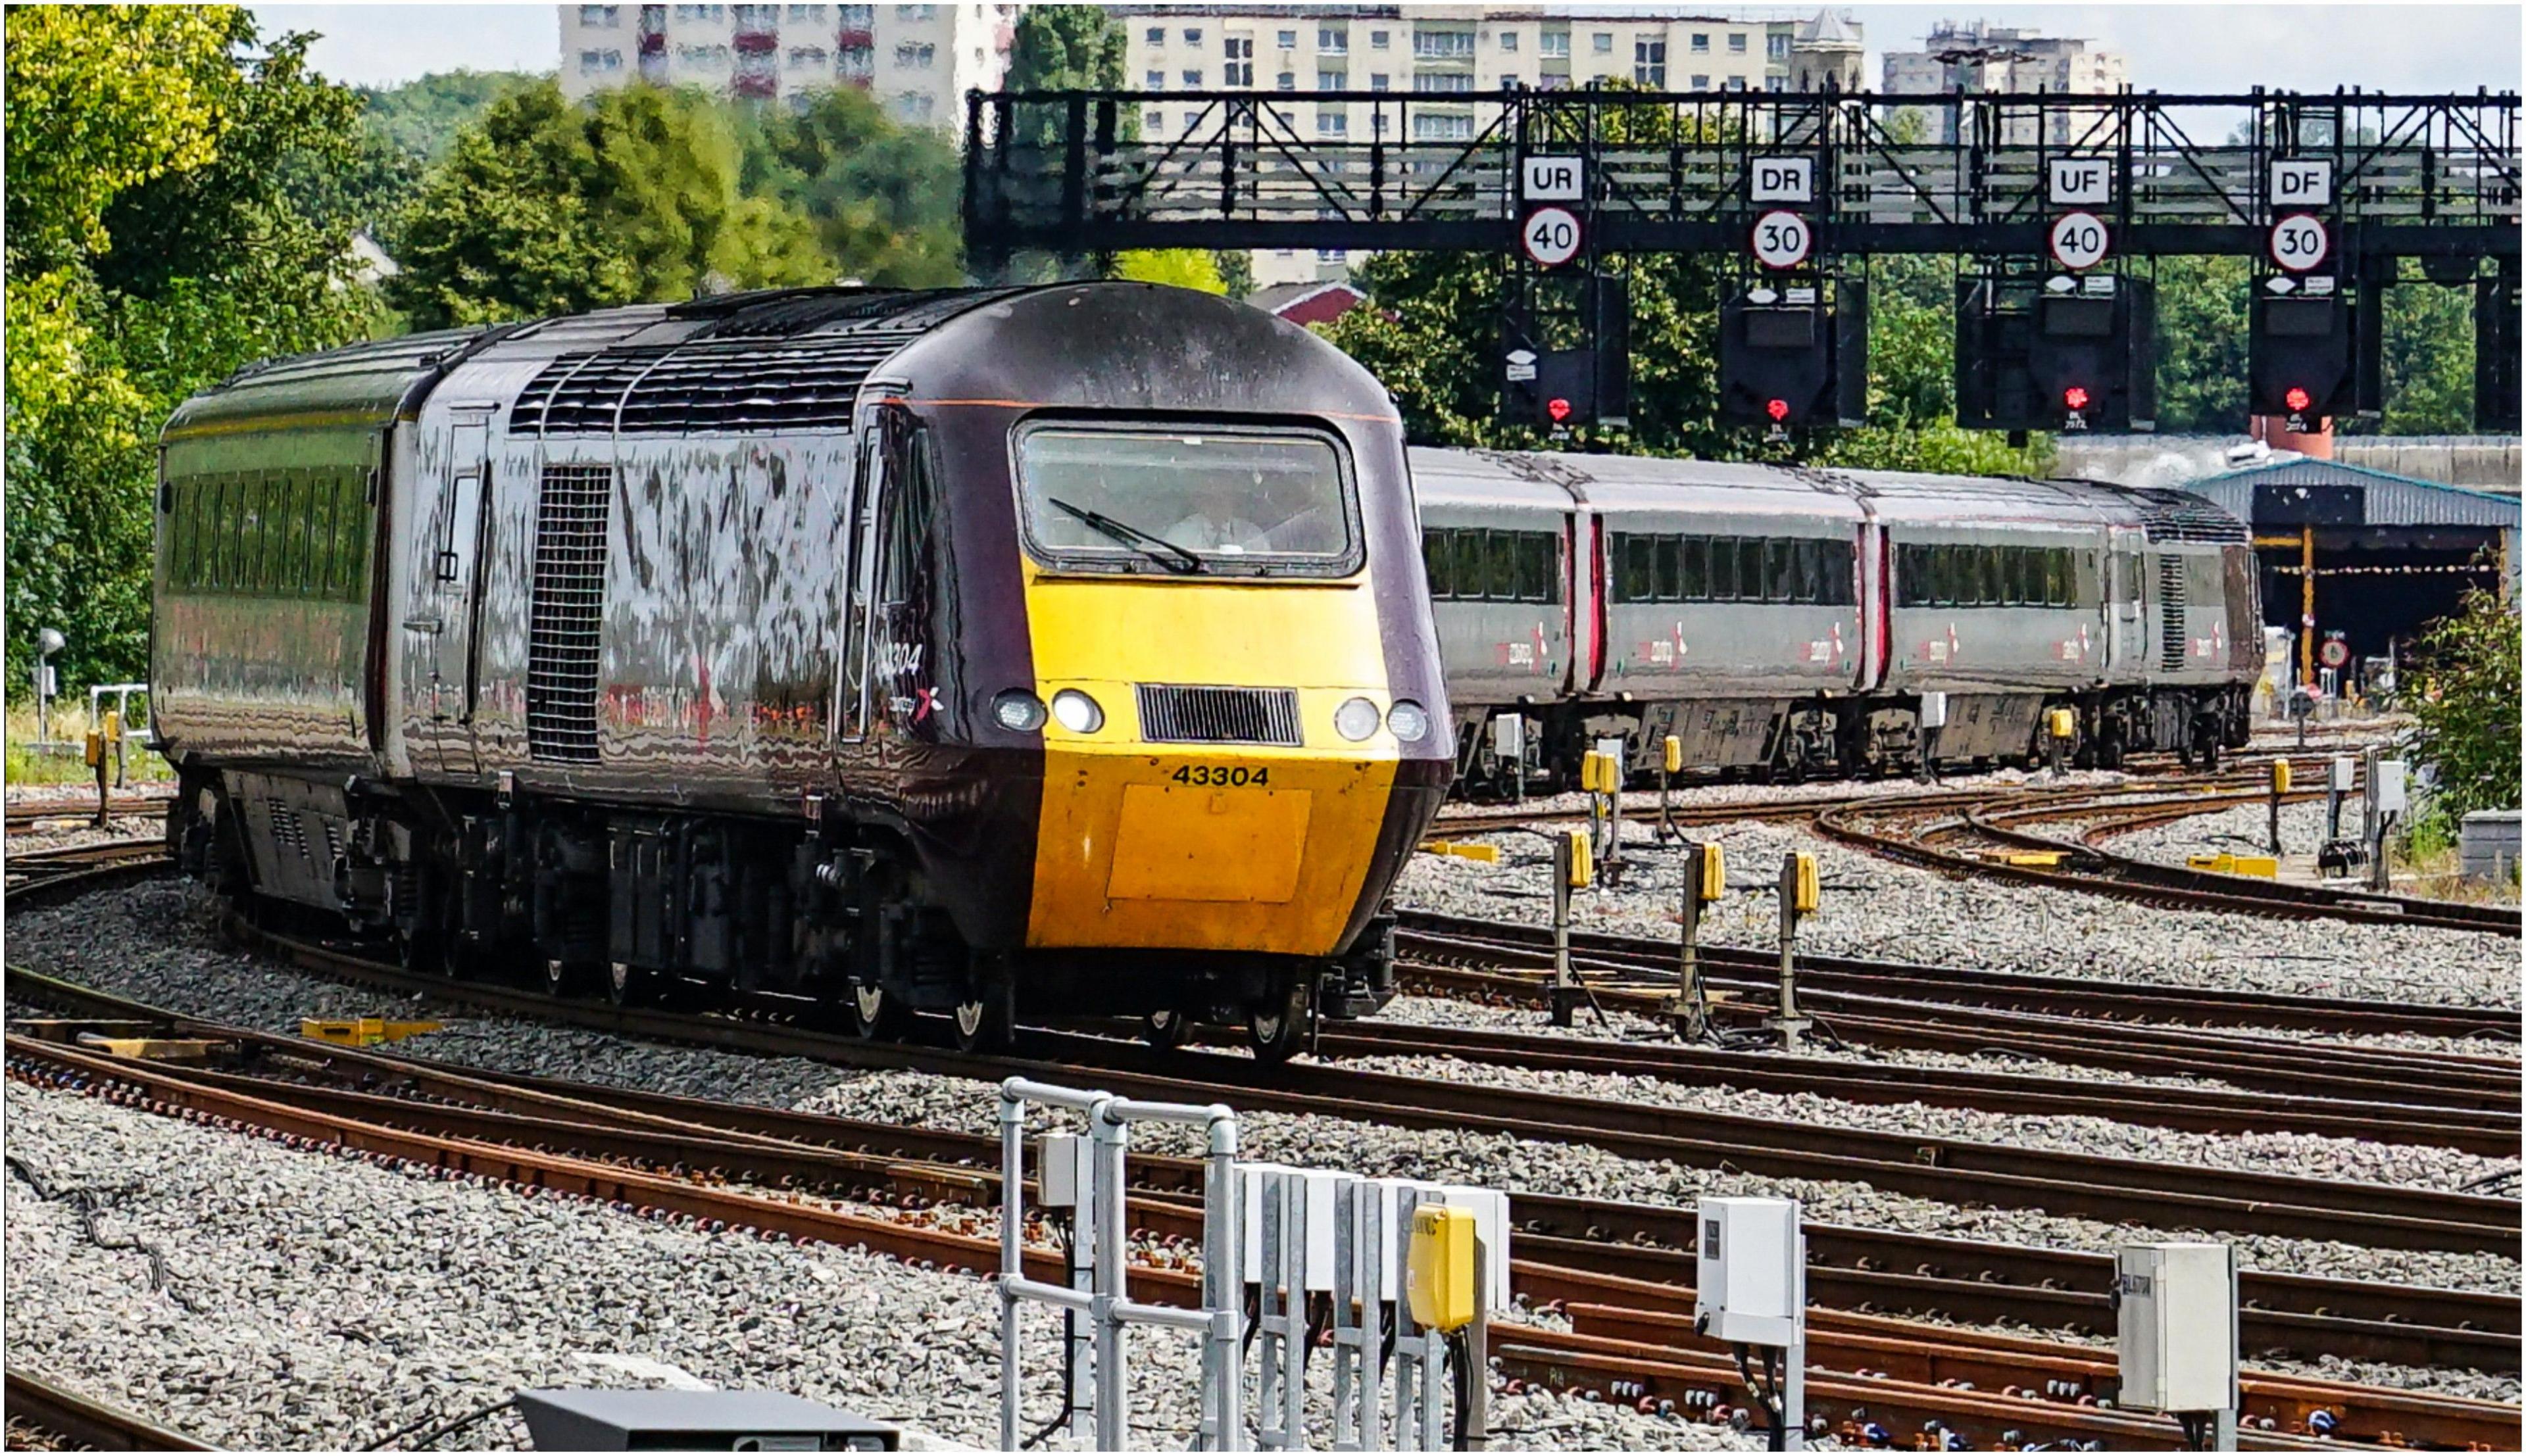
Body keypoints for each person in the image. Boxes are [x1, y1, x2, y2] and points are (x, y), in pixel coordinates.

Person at [1166, 475, 1272, 554]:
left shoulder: (1252, 535)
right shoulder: (1182, 533)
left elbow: (1266, 571)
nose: (1217, 502)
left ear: (1234, 500)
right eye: (1210, 497)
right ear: (1200, 502)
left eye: (1224, 496)